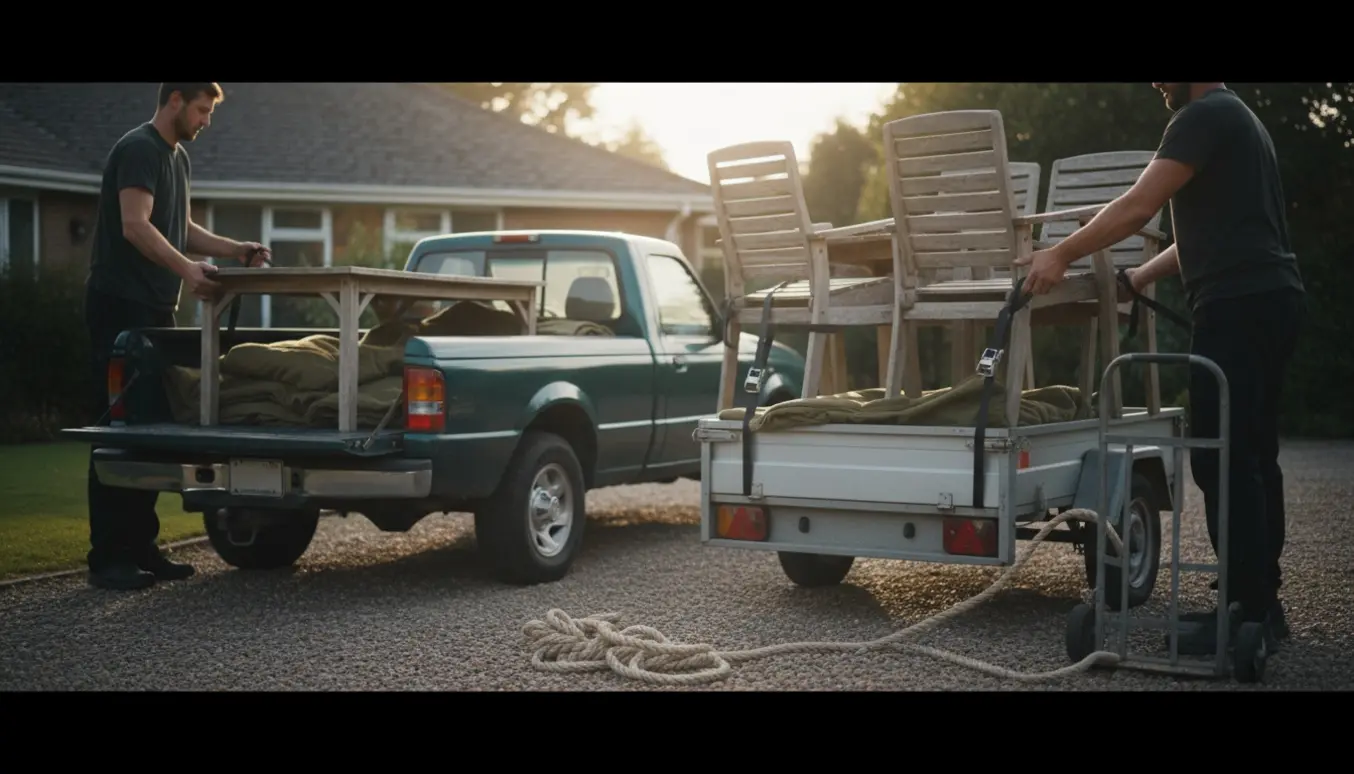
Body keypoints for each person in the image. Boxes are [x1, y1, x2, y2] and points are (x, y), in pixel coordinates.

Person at [1014, 82, 1305, 654]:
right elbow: (1205, 235)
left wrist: (1060, 254)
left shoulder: (1200, 117)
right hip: (1273, 298)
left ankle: (1243, 612)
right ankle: (1261, 609)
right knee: (1253, 455)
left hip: (1238, 306)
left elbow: (1137, 207)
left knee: (1222, 458)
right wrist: (1141, 276)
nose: (1155, 82)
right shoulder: (1239, 118)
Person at [85, 82, 272, 591]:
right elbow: (135, 225)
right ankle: (107, 558)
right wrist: (188, 270)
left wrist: (235, 249)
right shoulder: (138, 149)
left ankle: (141, 548)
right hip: (118, 306)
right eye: (202, 110)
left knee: (152, 427)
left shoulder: (177, 158)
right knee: (119, 430)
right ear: (175, 101)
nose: (206, 121)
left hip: (154, 308)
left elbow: (179, 227)